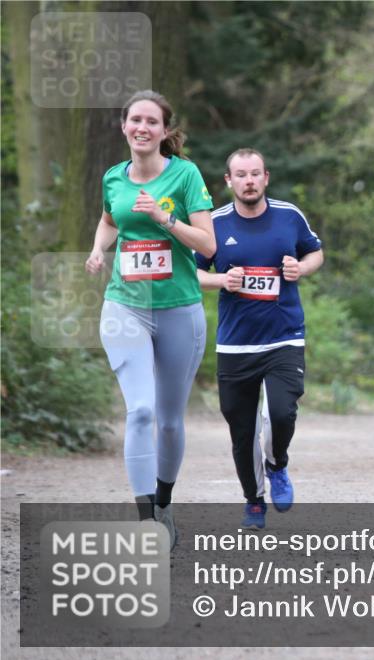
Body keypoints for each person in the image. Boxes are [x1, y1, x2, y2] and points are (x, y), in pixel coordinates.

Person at [85, 90, 216, 549]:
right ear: (124, 126)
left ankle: (164, 502)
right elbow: (109, 220)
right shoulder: (113, 178)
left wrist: (165, 219)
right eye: (134, 120)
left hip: (179, 306)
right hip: (125, 306)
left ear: (164, 131)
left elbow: (208, 246)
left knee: (169, 421)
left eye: (151, 122)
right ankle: (146, 520)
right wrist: (98, 249)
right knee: (139, 409)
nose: (142, 128)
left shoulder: (185, 175)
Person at [195, 148, 323, 530]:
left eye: (255, 174)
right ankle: (253, 499)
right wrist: (221, 280)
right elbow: (190, 274)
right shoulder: (213, 224)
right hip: (235, 343)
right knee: (241, 430)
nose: (248, 181)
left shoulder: (289, 215)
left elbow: (316, 253)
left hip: (284, 335)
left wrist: (300, 268)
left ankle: (277, 464)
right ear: (228, 181)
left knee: (283, 411)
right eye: (241, 175)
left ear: (266, 177)